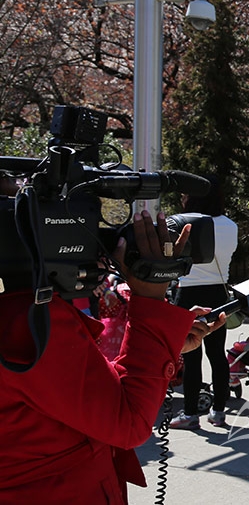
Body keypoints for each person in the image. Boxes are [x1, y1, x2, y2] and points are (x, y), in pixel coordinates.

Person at [0, 210, 225, 503]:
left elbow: (94, 397)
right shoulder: (27, 323)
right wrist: (151, 299)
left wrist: (158, 344)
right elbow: (127, 422)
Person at [171, 175, 239, 430]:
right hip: (218, 293)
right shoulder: (231, 226)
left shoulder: (181, 223)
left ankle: (190, 414)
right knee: (217, 354)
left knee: (191, 356)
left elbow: (171, 256)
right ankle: (219, 411)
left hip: (188, 293)